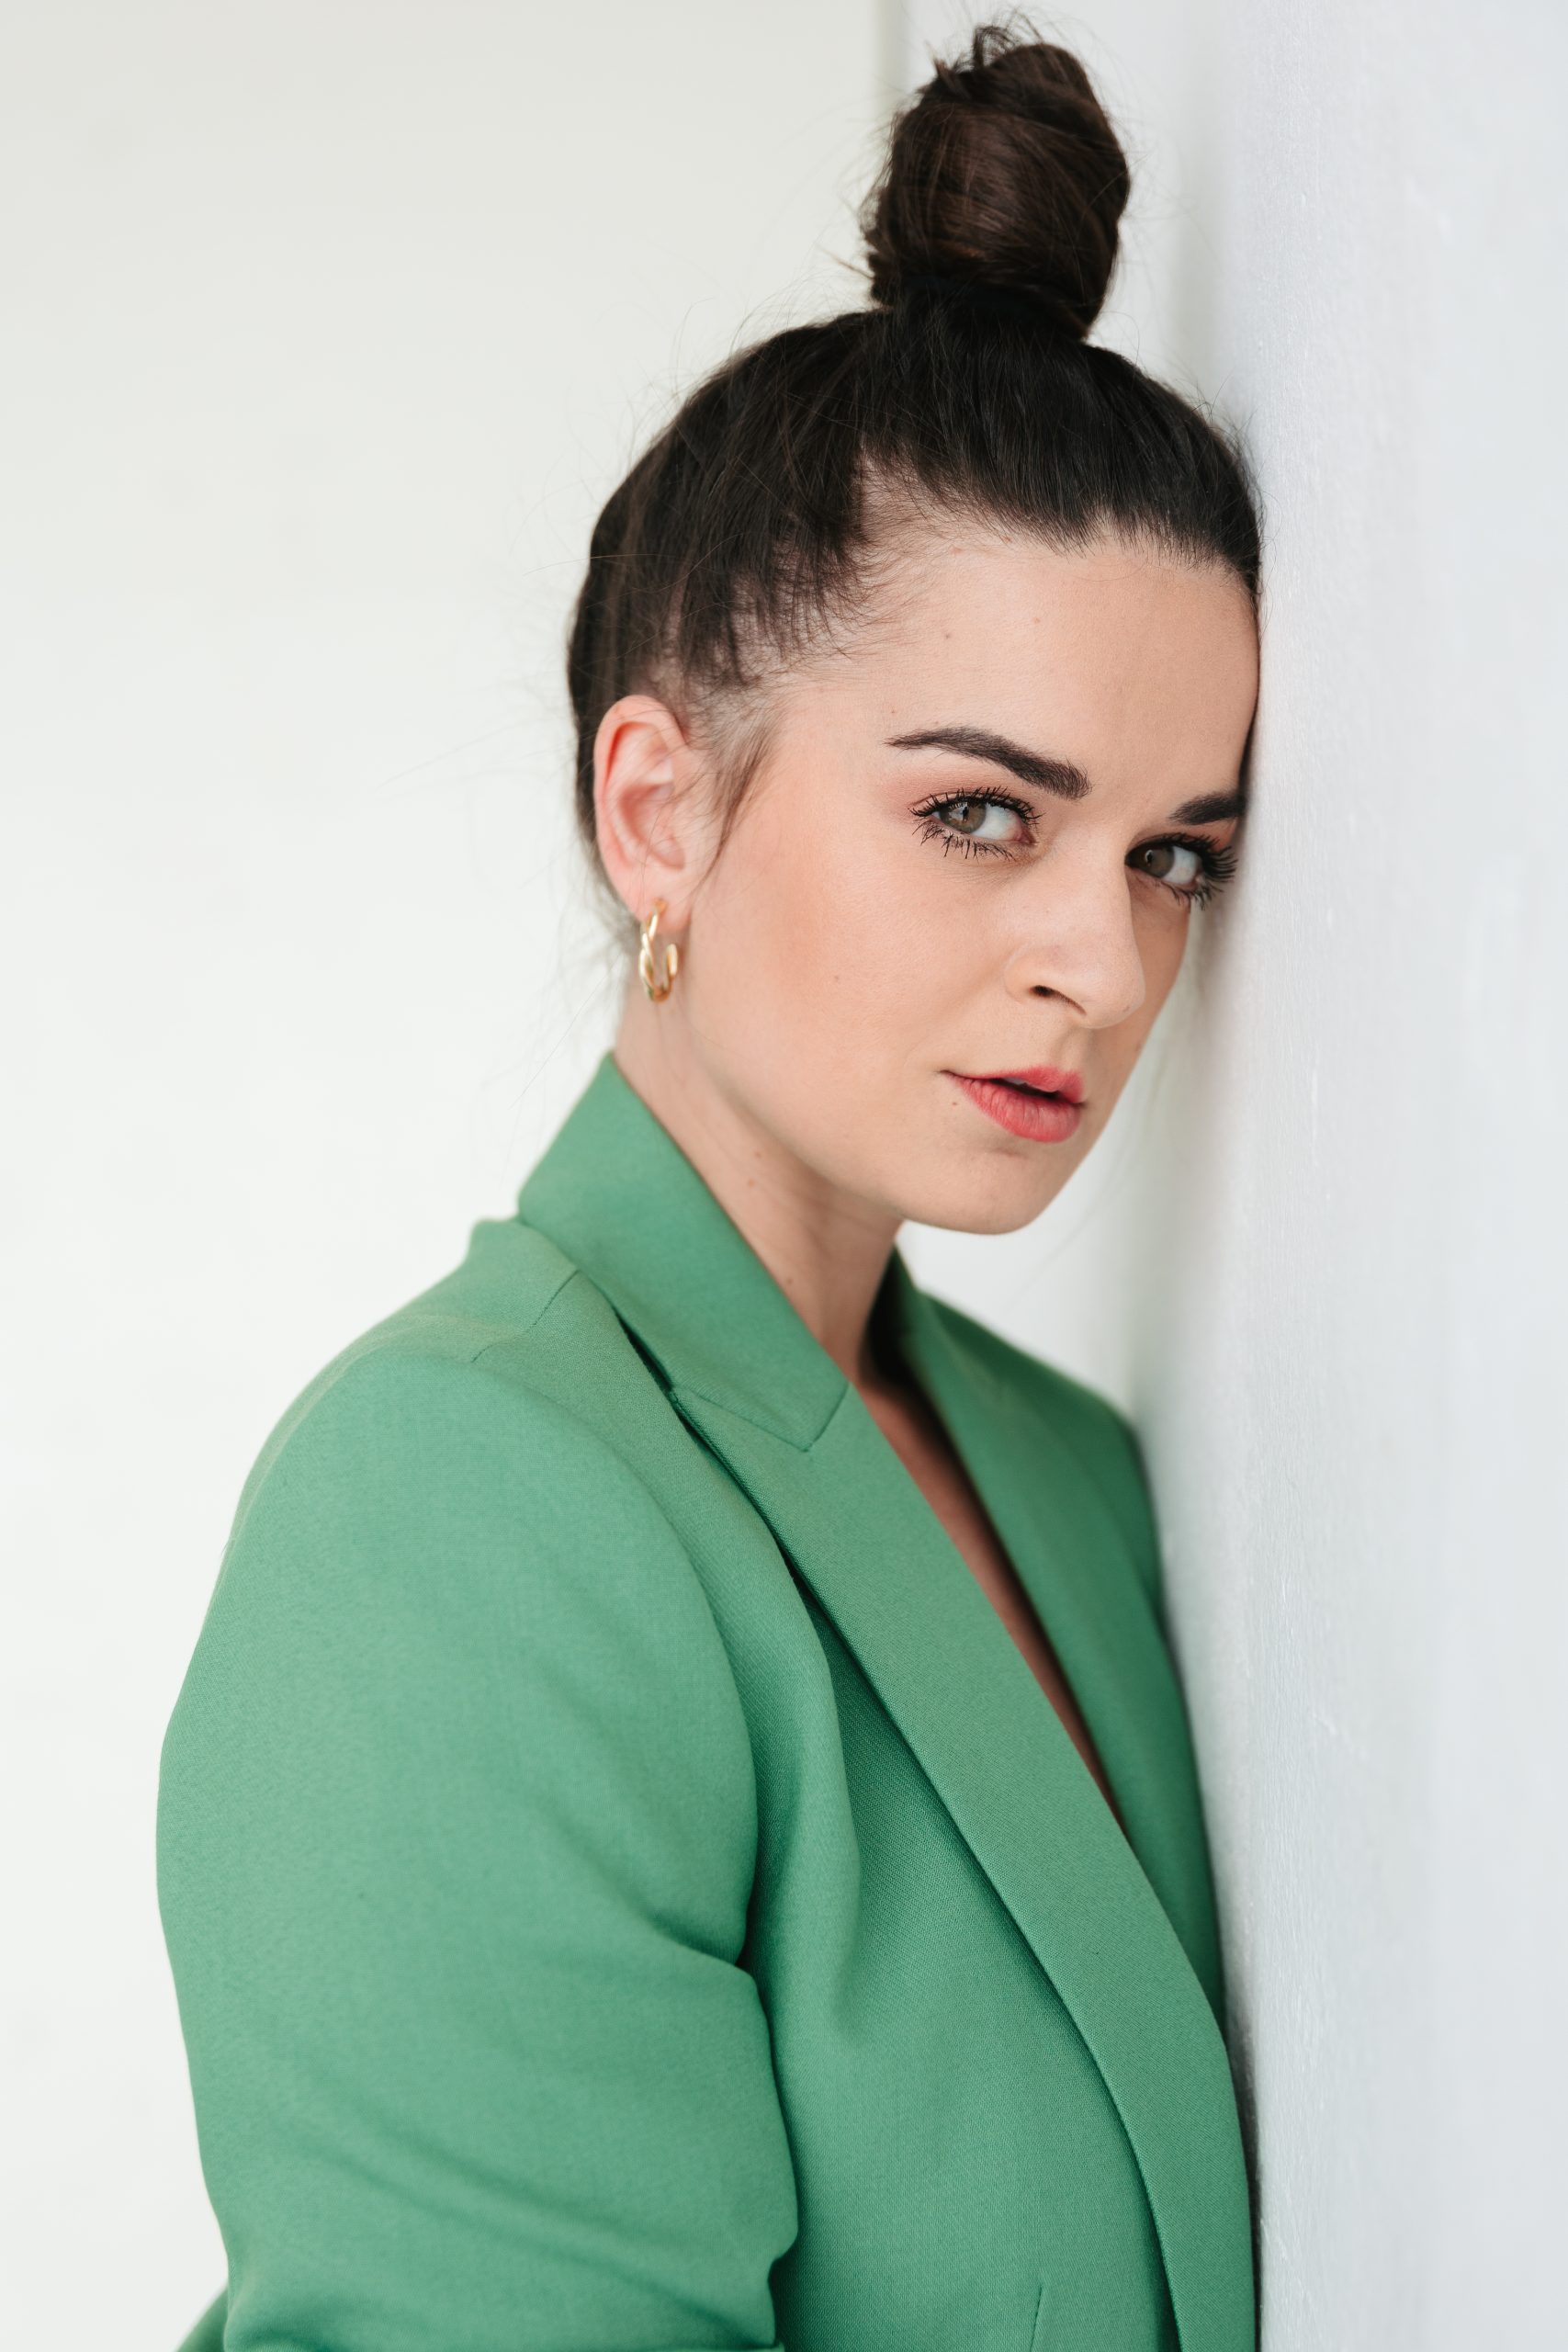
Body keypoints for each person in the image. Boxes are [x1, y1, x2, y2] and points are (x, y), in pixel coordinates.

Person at [159, 24, 1262, 2352]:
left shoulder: (1072, 1478)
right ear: (658, 808)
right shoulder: (455, 1503)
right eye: (978, 812)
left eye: (1171, 852)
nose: (1100, 956)